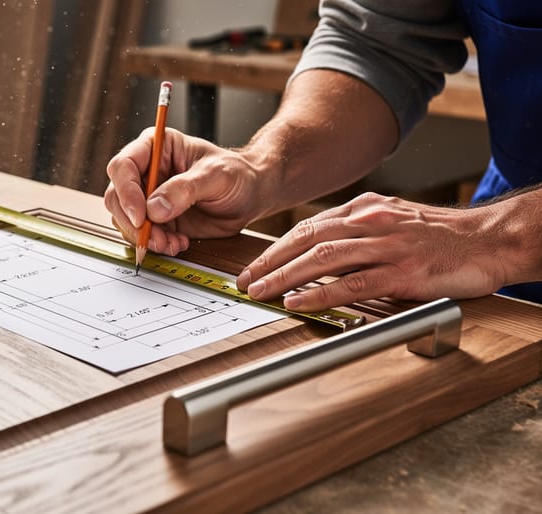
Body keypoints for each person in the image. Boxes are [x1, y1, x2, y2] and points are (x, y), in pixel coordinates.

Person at [104, 1, 542, 312]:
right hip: (501, 264)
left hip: (497, 239)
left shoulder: (491, 239)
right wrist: (264, 167)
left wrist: (497, 237)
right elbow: (376, 44)